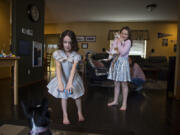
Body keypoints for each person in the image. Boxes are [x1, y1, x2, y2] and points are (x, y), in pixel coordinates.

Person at [47, 30, 85, 125]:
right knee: (64, 96)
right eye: (65, 42)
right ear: (62, 42)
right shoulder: (57, 53)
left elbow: (73, 70)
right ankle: (65, 115)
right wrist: (60, 83)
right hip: (62, 77)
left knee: (77, 96)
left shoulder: (76, 55)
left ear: (73, 43)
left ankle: (79, 112)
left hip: (73, 78)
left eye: (70, 42)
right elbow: (58, 68)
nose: (67, 45)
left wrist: (70, 83)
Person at [107, 26, 132, 111]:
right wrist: (115, 42)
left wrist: (119, 42)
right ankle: (115, 101)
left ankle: (124, 104)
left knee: (124, 84)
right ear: (120, 33)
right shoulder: (117, 40)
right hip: (116, 62)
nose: (123, 35)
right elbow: (111, 50)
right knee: (116, 83)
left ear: (128, 35)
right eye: (122, 33)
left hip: (123, 64)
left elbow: (122, 52)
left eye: (126, 34)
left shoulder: (128, 42)